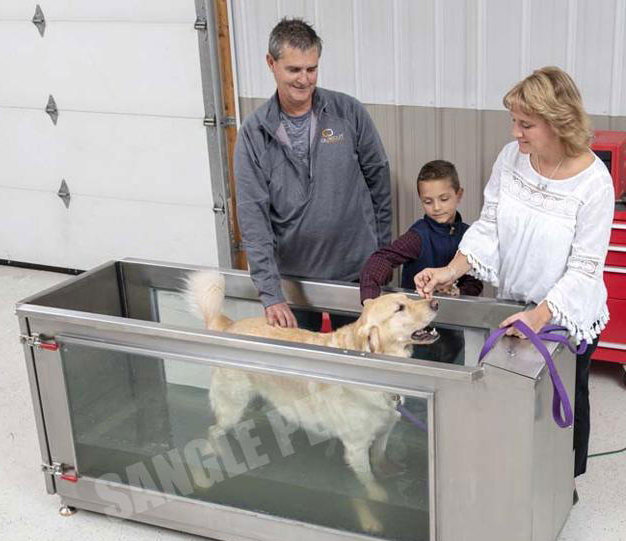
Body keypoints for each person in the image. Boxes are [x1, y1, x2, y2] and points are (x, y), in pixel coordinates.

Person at [414, 67, 615, 486]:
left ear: (559, 121)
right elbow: (488, 227)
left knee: (566, 396)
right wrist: (449, 269)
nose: (515, 132)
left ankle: (563, 484)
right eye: (514, 121)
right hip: (515, 306)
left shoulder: (594, 183)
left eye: (526, 124)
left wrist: (541, 317)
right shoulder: (511, 158)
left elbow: (584, 269)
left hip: (564, 315)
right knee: (518, 393)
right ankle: (519, 481)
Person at [234, 18, 392, 329]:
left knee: (358, 364)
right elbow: (253, 218)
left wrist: (381, 257)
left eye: (312, 69)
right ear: (271, 63)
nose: (304, 80)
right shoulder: (254, 133)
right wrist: (271, 293)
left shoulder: (348, 112)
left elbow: (380, 183)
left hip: (357, 273)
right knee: (301, 374)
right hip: (294, 282)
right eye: (294, 70)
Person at [359, 160, 483, 303]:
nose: (436, 207)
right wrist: (369, 300)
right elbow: (382, 259)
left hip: (455, 319)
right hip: (417, 320)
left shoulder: (469, 236)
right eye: (428, 202)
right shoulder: (418, 236)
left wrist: (458, 292)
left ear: (459, 195)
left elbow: (474, 282)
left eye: (444, 199)